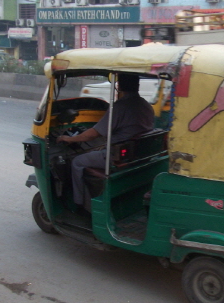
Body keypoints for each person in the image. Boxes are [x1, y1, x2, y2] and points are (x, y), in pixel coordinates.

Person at [57, 74, 154, 214]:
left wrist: (69, 139)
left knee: (77, 161)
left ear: (119, 86)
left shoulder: (120, 107)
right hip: (139, 154)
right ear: (137, 85)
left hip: (120, 157)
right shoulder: (146, 105)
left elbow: (93, 134)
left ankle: (78, 204)